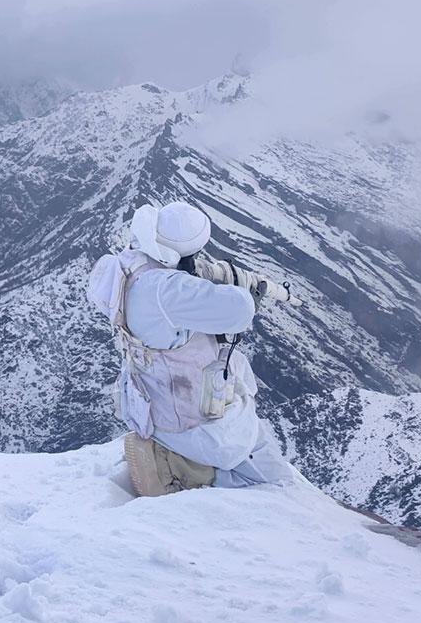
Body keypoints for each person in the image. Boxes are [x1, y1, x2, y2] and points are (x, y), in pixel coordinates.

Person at [86, 201, 297, 496]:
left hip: (151, 405)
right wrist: (249, 294)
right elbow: (240, 309)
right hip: (190, 420)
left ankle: (177, 455)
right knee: (272, 478)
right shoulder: (165, 290)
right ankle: (176, 468)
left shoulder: (125, 268)